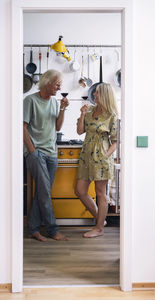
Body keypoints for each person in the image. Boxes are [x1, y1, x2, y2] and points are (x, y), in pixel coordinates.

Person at [23, 69, 69, 242]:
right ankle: (52, 229)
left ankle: (33, 228)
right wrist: (32, 151)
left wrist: (63, 109)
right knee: (44, 191)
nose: (59, 87)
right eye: (57, 84)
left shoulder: (55, 103)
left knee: (43, 191)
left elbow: (57, 127)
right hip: (37, 152)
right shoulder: (30, 101)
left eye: (60, 85)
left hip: (52, 152)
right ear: (47, 82)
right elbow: (22, 128)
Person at [75, 83, 118, 238]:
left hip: (101, 156)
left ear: (104, 95)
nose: (94, 95)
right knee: (80, 191)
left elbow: (115, 141)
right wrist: (82, 114)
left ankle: (99, 228)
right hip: (86, 154)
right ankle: (101, 220)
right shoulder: (90, 111)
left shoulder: (111, 115)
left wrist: (106, 155)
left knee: (100, 193)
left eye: (97, 93)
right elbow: (80, 131)